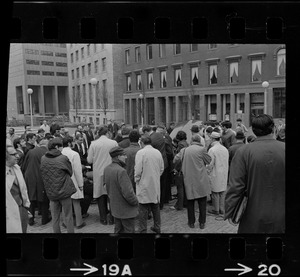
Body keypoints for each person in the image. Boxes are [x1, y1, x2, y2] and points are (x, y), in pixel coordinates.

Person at [224, 114, 285, 233]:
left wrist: (230, 211)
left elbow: (236, 186)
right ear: (273, 128)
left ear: (253, 130)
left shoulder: (244, 152)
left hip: (252, 215)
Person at [40, 137, 76, 233]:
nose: (62, 149)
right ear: (56, 147)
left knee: (55, 218)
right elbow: (70, 172)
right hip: (64, 191)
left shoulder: (43, 158)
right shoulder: (63, 158)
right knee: (68, 216)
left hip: (51, 192)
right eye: (61, 147)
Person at [87, 125, 118, 225]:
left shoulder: (94, 144)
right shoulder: (113, 143)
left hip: (99, 172)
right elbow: (118, 156)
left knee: (100, 195)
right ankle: (113, 218)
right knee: (112, 194)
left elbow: (89, 160)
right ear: (107, 133)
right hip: (111, 170)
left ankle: (103, 218)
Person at [104, 146, 139, 233]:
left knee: (118, 230)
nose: (126, 157)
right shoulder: (121, 171)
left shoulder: (107, 169)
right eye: (124, 155)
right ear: (118, 157)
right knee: (129, 231)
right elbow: (128, 193)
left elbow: (106, 187)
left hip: (116, 208)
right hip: (126, 210)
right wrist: (136, 202)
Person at [135, 135, 164, 233]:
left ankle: (143, 229)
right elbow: (161, 168)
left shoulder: (140, 153)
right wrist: (156, 176)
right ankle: (157, 227)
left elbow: (138, 169)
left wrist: (137, 179)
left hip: (144, 183)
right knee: (155, 207)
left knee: (143, 208)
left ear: (142, 143)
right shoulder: (157, 152)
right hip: (155, 183)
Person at [181, 134, 212, 229]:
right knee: (202, 202)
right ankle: (202, 222)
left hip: (189, 179)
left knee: (190, 203)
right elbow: (209, 160)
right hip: (200, 179)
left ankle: (191, 222)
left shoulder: (184, 150)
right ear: (199, 141)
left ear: (191, 140)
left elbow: (177, 160)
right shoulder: (201, 149)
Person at [21, 138, 51, 226]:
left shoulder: (31, 151)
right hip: (42, 177)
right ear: (47, 145)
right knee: (44, 198)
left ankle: (31, 219)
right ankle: (44, 219)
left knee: (31, 198)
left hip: (30, 177)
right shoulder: (47, 153)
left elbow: (24, 165)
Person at [61, 136, 86, 229]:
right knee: (76, 202)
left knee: (65, 203)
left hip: (63, 180)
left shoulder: (60, 153)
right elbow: (78, 170)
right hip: (73, 179)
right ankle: (79, 222)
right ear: (69, 143)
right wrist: (80, 184)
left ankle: (65, 222)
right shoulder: (74, 154)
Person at [142, 125, 168, 210]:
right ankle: (162, 202)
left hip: (156, 164)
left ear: (146, 132)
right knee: (163, 185)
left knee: (156, 184)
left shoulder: (151, 139)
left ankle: (157, 203)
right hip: (164, 161)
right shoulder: (159, 135)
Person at [6, 146, 31, 233]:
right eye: (14, 154)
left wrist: (26, 206)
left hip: (22, 208)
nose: (18, 156)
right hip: (9, 212)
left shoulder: (17, 168)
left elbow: (23, 189)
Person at [207, 131, 229, 216]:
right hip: (224, 172)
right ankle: (222, 209)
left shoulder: (212, 150)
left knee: (215, 192)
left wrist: (207, 171)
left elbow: (210, 164)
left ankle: (216, 209)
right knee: (222, 191)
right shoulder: (225, 149)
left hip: (215, 172)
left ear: (212, 139)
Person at [172, 131, 189, 210]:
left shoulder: (180, 145)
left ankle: (179, 205)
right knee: (184, 187)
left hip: (180, 169)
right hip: (186, 167)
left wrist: (176, 168)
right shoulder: (186, 143)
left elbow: (179, 159)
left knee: (180, 187)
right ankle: (185, 203)